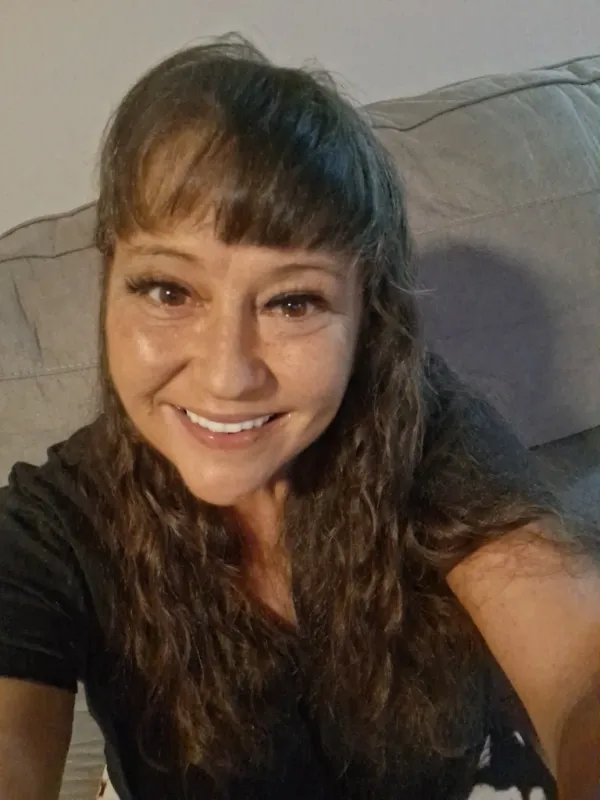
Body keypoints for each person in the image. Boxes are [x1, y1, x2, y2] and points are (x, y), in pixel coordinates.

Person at [0, 35, 599, 800]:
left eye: (292, 302)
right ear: (109, 284)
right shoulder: (51, 527)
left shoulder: (420, 427)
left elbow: (579, 665)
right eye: (168, 291)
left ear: (364, 319)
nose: (228, 374)